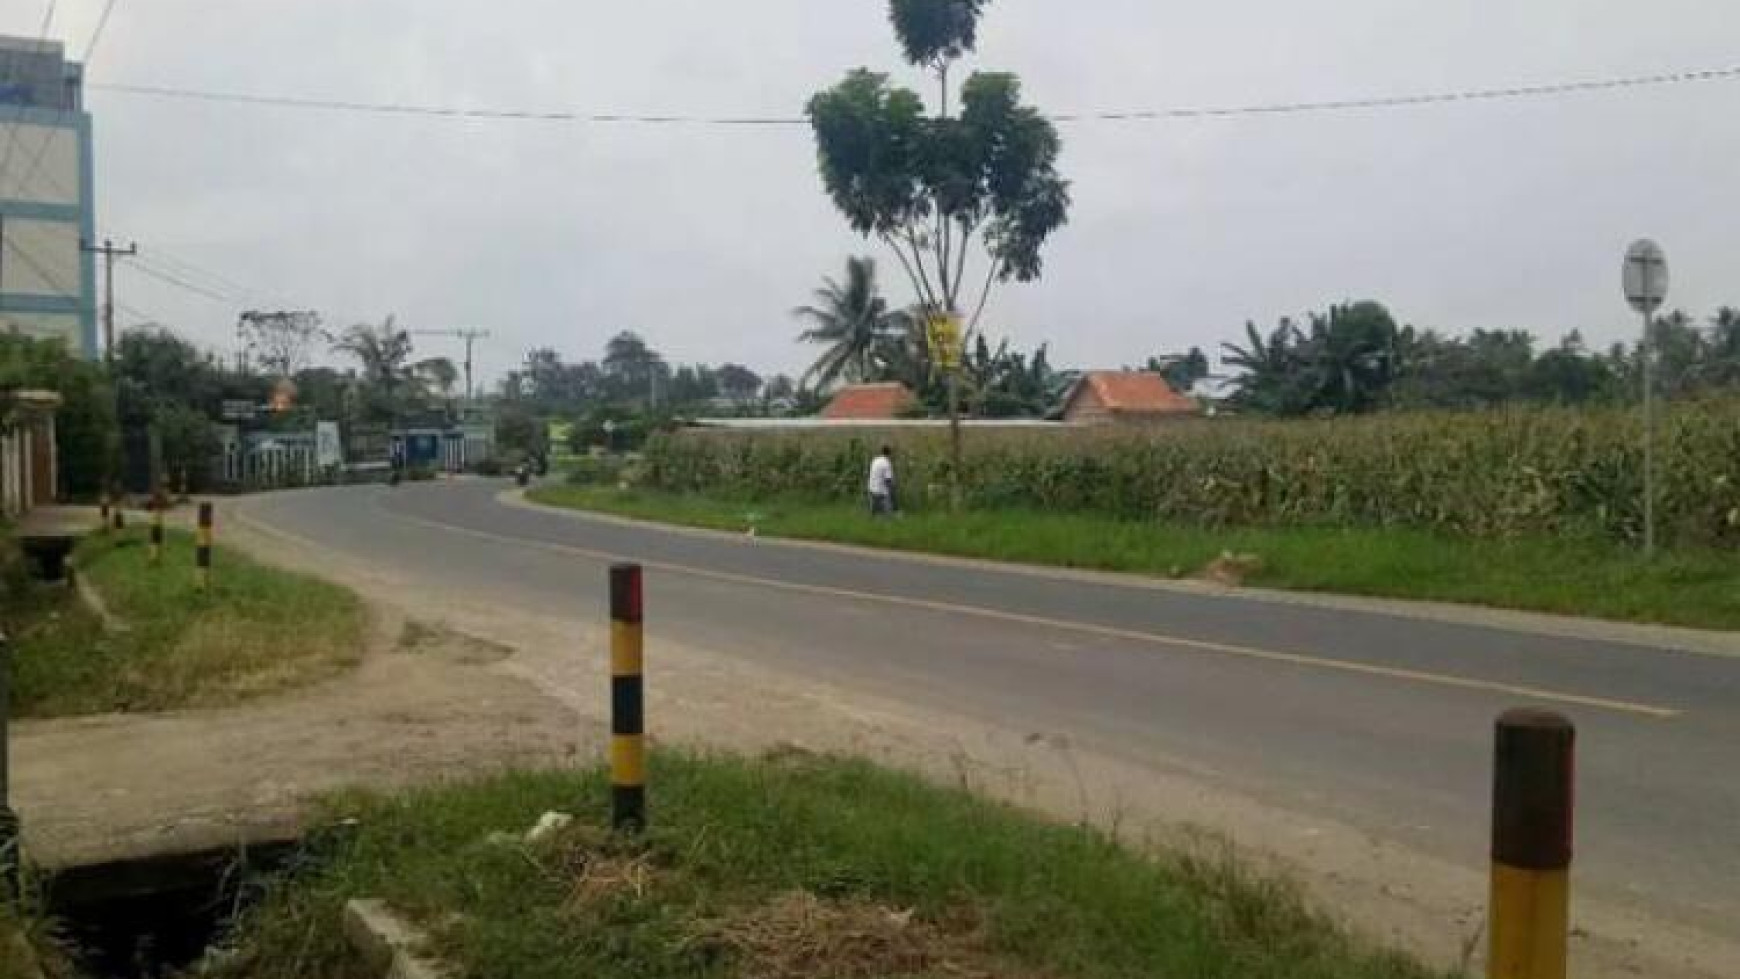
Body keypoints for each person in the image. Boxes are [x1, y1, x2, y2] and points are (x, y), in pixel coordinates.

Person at [867, 445, 897, 517]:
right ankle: (888, 521)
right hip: (881, 491)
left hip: (871, 488)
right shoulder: (886, 463)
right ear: (889, 454)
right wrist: (892, 493)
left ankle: (871, 521)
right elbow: (888, 480)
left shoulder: (875, 459)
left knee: (873, 511)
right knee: (888, 510)